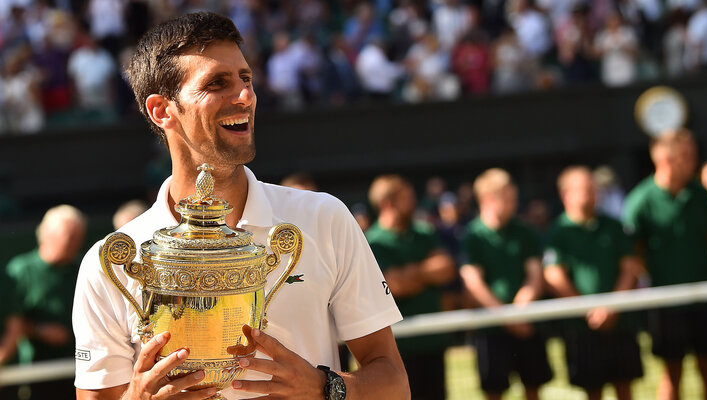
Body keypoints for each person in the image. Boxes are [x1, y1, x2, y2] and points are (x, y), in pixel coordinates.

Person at [72, 12, 409, 400]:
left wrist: (324, 387)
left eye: (246, 79)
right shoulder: (108, 263)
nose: (246, 96)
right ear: (162, 110)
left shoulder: (324, 218)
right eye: (218, 83)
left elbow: (394, 383)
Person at [623, 129, 707, 400]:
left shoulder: (699, 194)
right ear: (666, 160)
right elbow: (632, 255)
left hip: (704, 300)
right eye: (687, 156)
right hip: (665, 303)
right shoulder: (641, 201)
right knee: (671, 373)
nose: (693, 161)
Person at [544, 166, 643, 400]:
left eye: (593, 189)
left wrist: (611, 307)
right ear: (565, 194)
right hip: (582, 329)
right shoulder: (559, 232)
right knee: (592, 390)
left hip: (620, 324)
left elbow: (630, 268)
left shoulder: (614, 226)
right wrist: (588, 310)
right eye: (584, 189)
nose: (590, 194)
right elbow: (554, 275)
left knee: (625, 388)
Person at [459, 168, 552, 400]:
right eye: (507, 198)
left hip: (526, 322)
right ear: (488, 199)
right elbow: (473, 282)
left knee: (533, 387)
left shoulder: (525, 232)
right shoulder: (473, 236)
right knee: (494, 391)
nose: (514, 203)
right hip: (491, 328)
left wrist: (523, 305)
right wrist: (506, 316)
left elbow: (535, 274)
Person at [365, 174, 456, 400]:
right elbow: (393, 285)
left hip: (432, 340)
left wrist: (410, 274)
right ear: (388, 203)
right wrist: (426, 274)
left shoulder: (423, 233)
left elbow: (447, 268)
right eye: (406, 198)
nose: (413, 202)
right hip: (396, 349)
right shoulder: (371, 240)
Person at [6, 204, 87, 400]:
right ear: (46, 235)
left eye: (78, 236)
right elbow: (11, 324)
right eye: (68, 235)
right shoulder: (21, 271)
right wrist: (39, 331)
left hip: (81, 371)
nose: (73, 242)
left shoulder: (84, 268)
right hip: (38, 374)